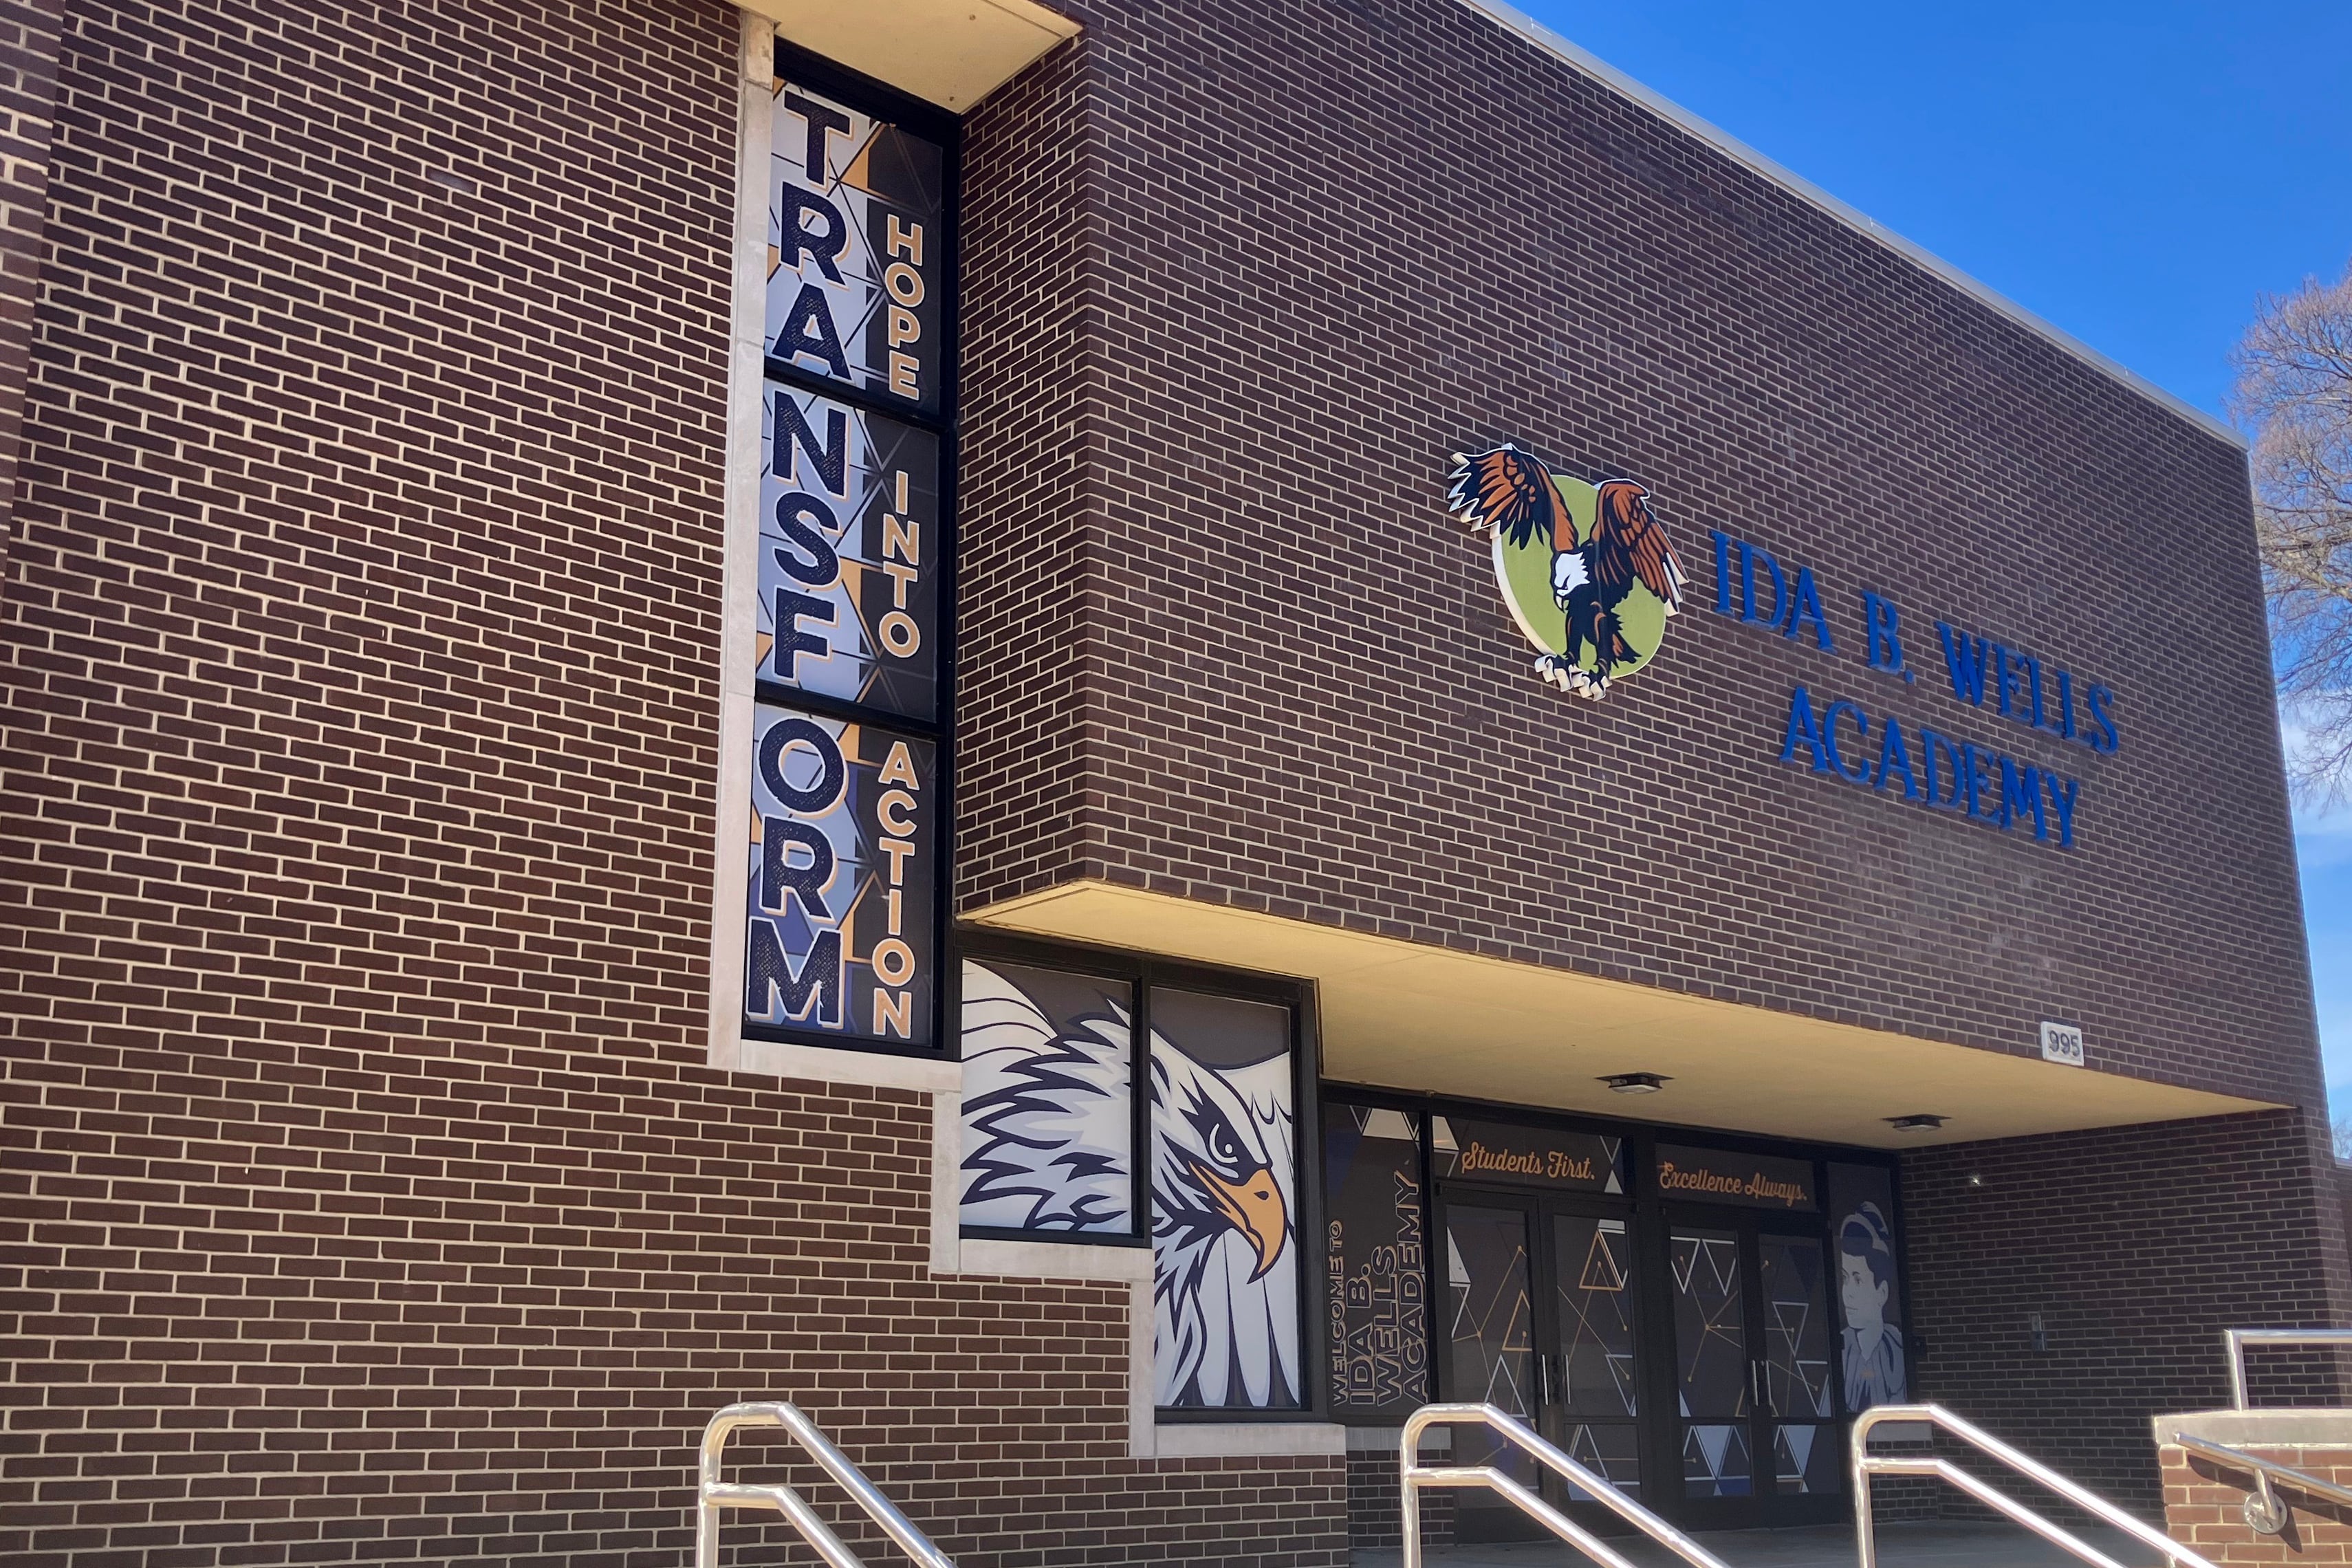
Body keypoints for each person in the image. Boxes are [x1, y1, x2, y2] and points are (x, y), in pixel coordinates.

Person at [1837, 1201, 1907, 1408]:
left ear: (1882, 1292)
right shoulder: (1839, 1350)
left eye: (1858, 1280)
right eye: (1844, 1278)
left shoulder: (1897, 1351)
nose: (1847, 1292)